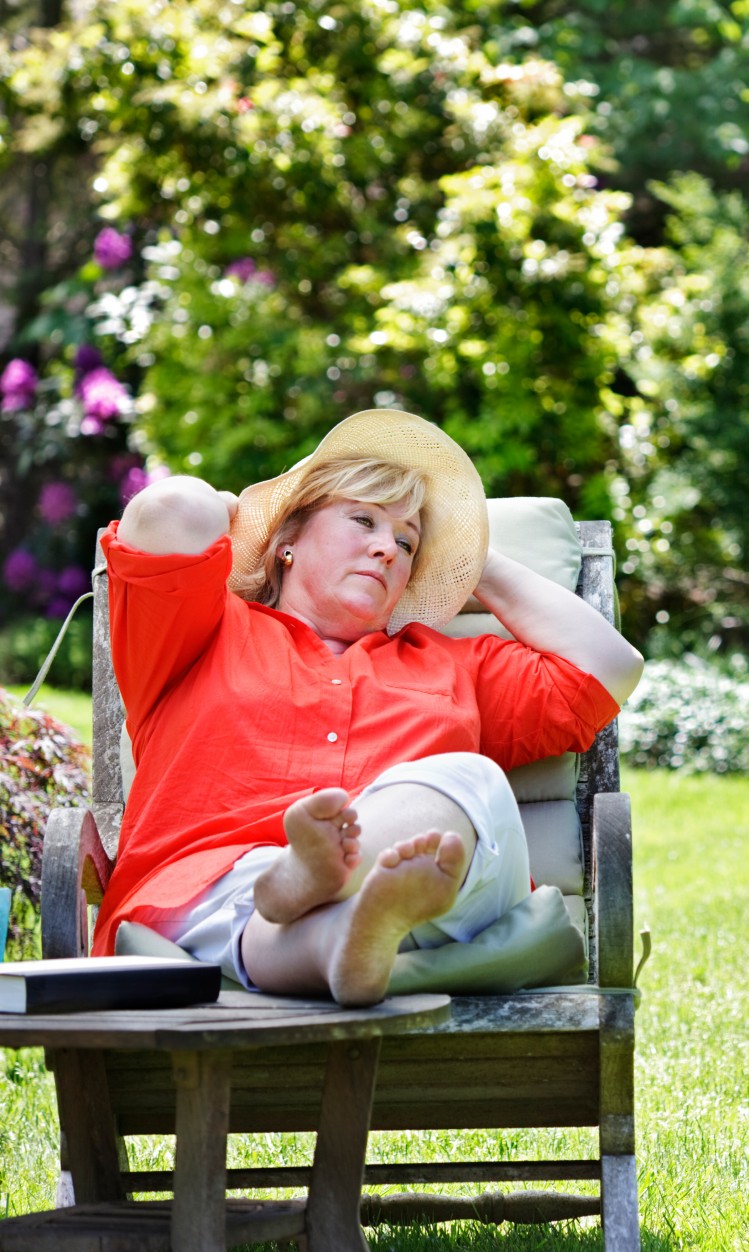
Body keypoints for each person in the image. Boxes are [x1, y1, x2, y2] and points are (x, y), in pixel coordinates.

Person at [95, 409, 645, 1005]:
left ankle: (327, 888)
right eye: (363, 520)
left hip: (430, 888)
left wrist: (474, 563)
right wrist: (240, 510)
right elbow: (167, 514)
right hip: (216, 889)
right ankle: (338, 932)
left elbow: (611, 667)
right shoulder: (200, 633)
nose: (387, 549)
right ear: (287, 543)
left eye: (407, 543)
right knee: (253, 903)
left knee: (471, 779)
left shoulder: (451, 664)